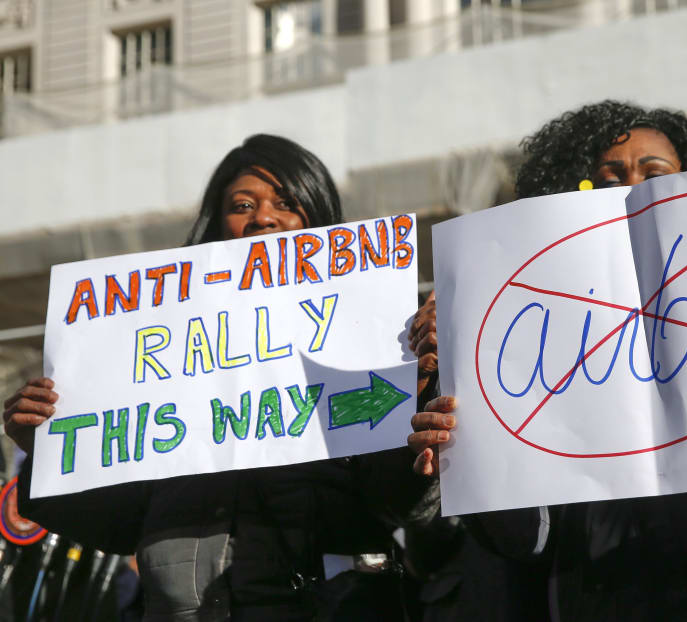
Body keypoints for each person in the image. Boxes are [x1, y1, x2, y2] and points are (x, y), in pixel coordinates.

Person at [408, 100, 687, 621]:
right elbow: (524, 538)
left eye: (655, 172)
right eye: (606, 181)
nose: (632, 187)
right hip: (604, 594)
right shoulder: (538, 333)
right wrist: (466, 434)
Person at [4, 134, 437, 621]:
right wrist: (45, 450)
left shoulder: (362, 344)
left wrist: (421, 395)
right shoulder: (154, 352)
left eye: (287, 202)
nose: (264, 217)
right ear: (217, 226)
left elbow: (402, 504)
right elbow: (118, 524)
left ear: (316, 216)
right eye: (242, 204)